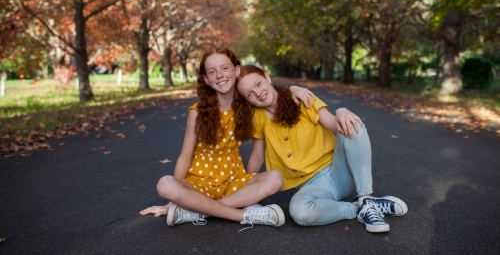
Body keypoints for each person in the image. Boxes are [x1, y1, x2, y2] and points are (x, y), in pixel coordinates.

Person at [139, 47, 311, 229]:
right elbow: (184, 157)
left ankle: (196, 211)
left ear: (236, 70)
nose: (220, 75)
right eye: (212, 72)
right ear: (206, 79)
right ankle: (243, 215)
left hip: (233, 182)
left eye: (225, 68)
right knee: (165, 185)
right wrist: (171, 203)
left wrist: (294, 88)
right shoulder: (197, 113)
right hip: (199, 184)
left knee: (275, 178)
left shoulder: (248, 107)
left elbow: (267, 93)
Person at [236, 65, 408, 233]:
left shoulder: (302, 99)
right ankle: (358, 208)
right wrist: (248, 189)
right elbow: (257, 156)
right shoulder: (257, 118)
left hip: (338, 171)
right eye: (249, 94)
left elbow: (336, 125)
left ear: (267, 77)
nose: (258, 93)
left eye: (258, 84)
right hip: (313, 188)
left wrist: (341, 111)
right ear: (246, 100)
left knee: (352, 125)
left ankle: (366, 199)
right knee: (300, 212)